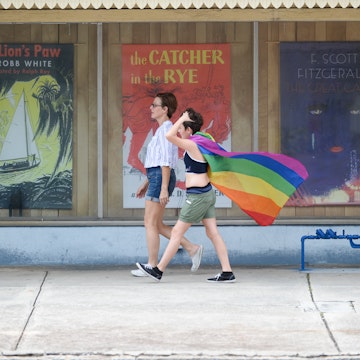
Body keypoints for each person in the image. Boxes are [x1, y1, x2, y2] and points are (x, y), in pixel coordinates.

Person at [136, 108, 236, 283]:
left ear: (189, 130)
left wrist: (182, 118)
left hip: (197, 197)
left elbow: (169, 136)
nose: (179, 131)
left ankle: (158, 270)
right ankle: (227, 271)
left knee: (176, 232)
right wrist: (183, 120)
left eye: (182, 128)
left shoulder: (193, 144)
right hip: (206, 194)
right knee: (213, 233)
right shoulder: (203, 140)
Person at [131, 94, 203, 277]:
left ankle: (152, 265)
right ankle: (192, 248)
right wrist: (146, 182)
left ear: (165, 109)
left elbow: (165, 162)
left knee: (150, 223)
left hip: (160, 178)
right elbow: (160, 162)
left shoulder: (166, 130)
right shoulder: (163, 130)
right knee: (158, 224)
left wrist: (162, 187)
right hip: (156, 177)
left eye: (155, 105)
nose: (151, 108)